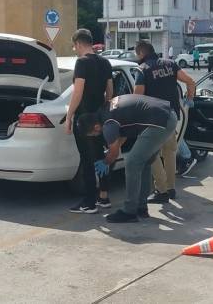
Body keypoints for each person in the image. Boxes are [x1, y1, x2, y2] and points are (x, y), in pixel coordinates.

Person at [77, 94, 177, 223]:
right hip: (166, 116)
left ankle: (129, 211)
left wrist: (105, 162)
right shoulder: (106, 111)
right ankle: (141, 207)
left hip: (159, 122)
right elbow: (122, 136)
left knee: (132, 162)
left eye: (93, 134)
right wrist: (111, 151)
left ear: (96, 127)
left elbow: (114, 152)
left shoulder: (108, 125)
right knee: (145, 161)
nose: (96, 136)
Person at [133, 41, 196, 204]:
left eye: (136, 54)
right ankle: (171, 188)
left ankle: (161, 191)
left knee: (151, 154)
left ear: (141, 53)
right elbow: (190, 82)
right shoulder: (171, 64)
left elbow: (137, 98)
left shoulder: (142, 69)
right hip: (171, 116)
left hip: (153, 118)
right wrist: (189, 99)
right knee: (169, 152)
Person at [65, 29, 114, 214]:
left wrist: (69, 116)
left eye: (74, 46)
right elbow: (110, 90)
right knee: (100, 156)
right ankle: (104, 196)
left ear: (78, 43)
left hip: (84, 118)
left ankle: (89, 202)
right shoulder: (105, 62)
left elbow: (78, 91)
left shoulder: (82, 62)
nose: (75, 49)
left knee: (86, 159)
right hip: (100, 116)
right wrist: (105, 111)